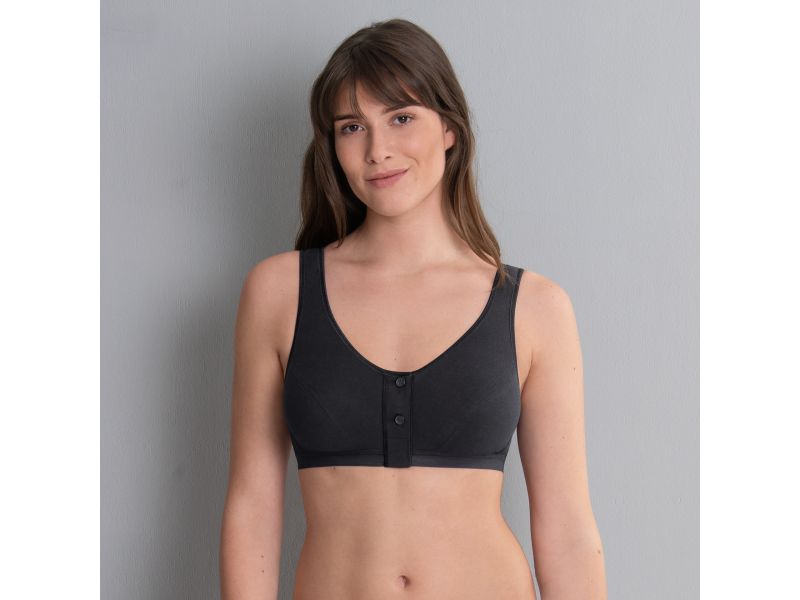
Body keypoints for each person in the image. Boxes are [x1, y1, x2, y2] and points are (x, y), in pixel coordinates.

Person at [219, 18, 607, 600]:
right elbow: (252, 507)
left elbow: (568, 531)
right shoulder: (279, 292)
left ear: (449, 128)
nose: (378, 151)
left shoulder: (535, 308)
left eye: (401, 118)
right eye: (353, 127)